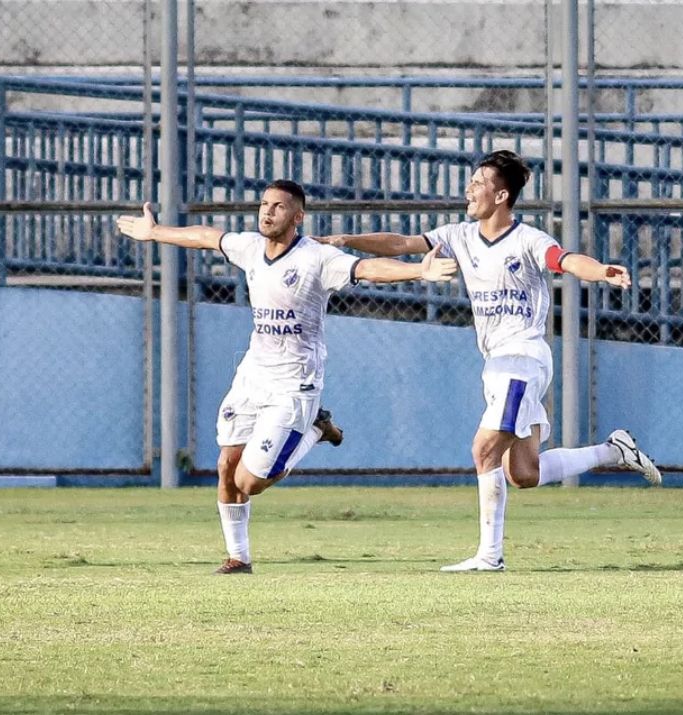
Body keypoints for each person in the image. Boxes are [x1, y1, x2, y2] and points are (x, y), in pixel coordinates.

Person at [319, 150, 662, 572]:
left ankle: (489, 556)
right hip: (497, 363)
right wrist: (347, 241)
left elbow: (565, 260)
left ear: (501, 195)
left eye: (478, 183)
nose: (469, 189)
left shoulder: (528, 240)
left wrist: (600, 270)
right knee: (524, 473)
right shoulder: (459, 235)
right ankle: (613, 451)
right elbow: (404, 244)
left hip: (523, 359)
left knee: (484, 450)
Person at [117, 180, 457, 574]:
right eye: (264, 204)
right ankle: (238, 559)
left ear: (298, 216)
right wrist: (155, 232)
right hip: (253, 376)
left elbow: (366, 268)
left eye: (278, 206)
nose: (267, 211)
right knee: (227, 465)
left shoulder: (317, 258)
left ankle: (315, 429)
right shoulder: (250, 248)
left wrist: (418, 270)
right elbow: (206, 237)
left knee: (250, 482)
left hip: (295, 384)